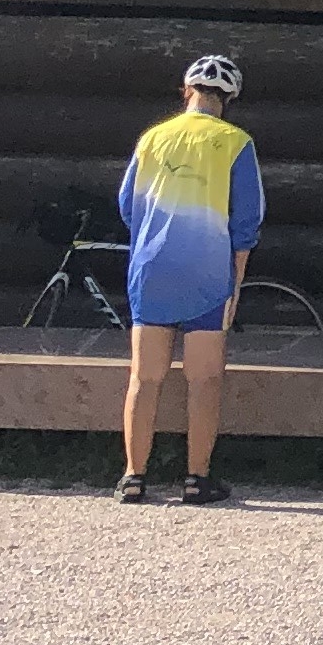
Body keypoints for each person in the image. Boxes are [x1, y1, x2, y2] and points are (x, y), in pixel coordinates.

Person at [114, 52, 265, 507]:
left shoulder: (152, 139)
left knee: (145, 377)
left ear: (186, 92)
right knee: (204, 380)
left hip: (152, 270)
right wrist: (236, 279)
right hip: (207, 271)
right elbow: (247, 220)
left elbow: (126, 206)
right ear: (229, 100)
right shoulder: (237, 143)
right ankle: (197, 479)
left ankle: (133, 477)